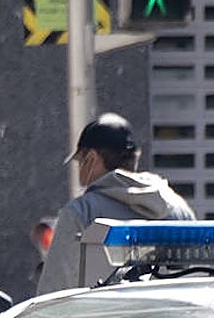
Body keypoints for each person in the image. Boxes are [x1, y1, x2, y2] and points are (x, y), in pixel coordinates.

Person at [36, 112, 195, 294]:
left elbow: (55, 293)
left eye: (80, 161)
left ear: (92, 158)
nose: (80, 170)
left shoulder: (82, 213)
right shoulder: (178, 209)